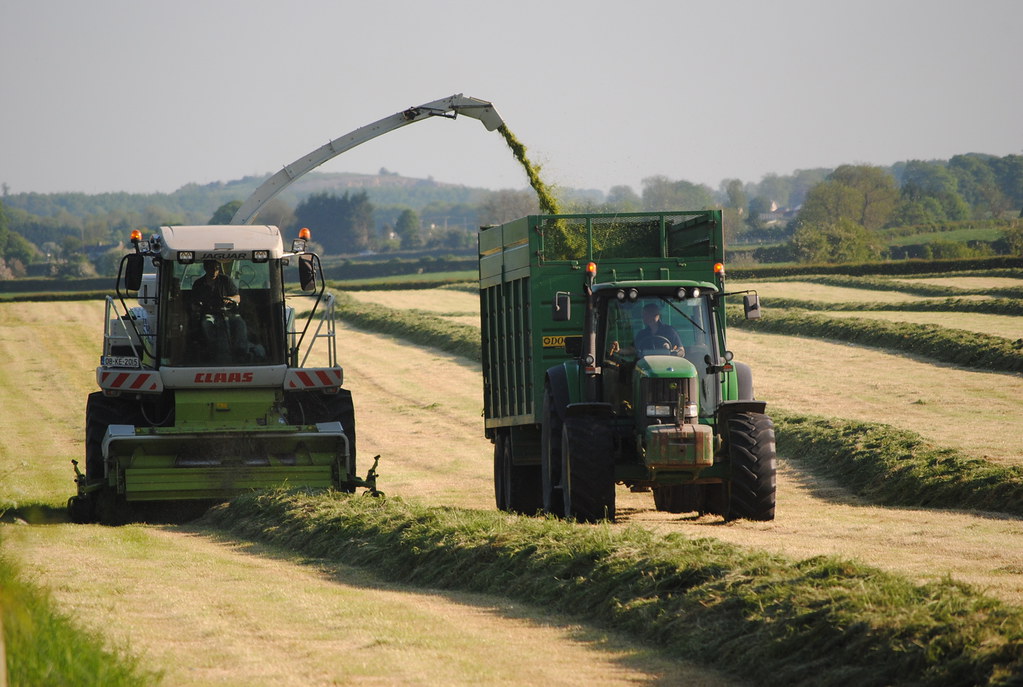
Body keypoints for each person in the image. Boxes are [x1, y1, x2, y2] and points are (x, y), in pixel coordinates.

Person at [191, 260, 247, 358]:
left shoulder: (226, 280)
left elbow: (238, 298)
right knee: (206, 324)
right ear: (205, 268)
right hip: (209, 314)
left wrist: (230, 299)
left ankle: (240, 350)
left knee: (240, 323)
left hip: (228, 313)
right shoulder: (198, 284)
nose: (214, 271)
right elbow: (193, 303)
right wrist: (197, 306)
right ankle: (213, 350)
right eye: (211, 268)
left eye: (216, 268)